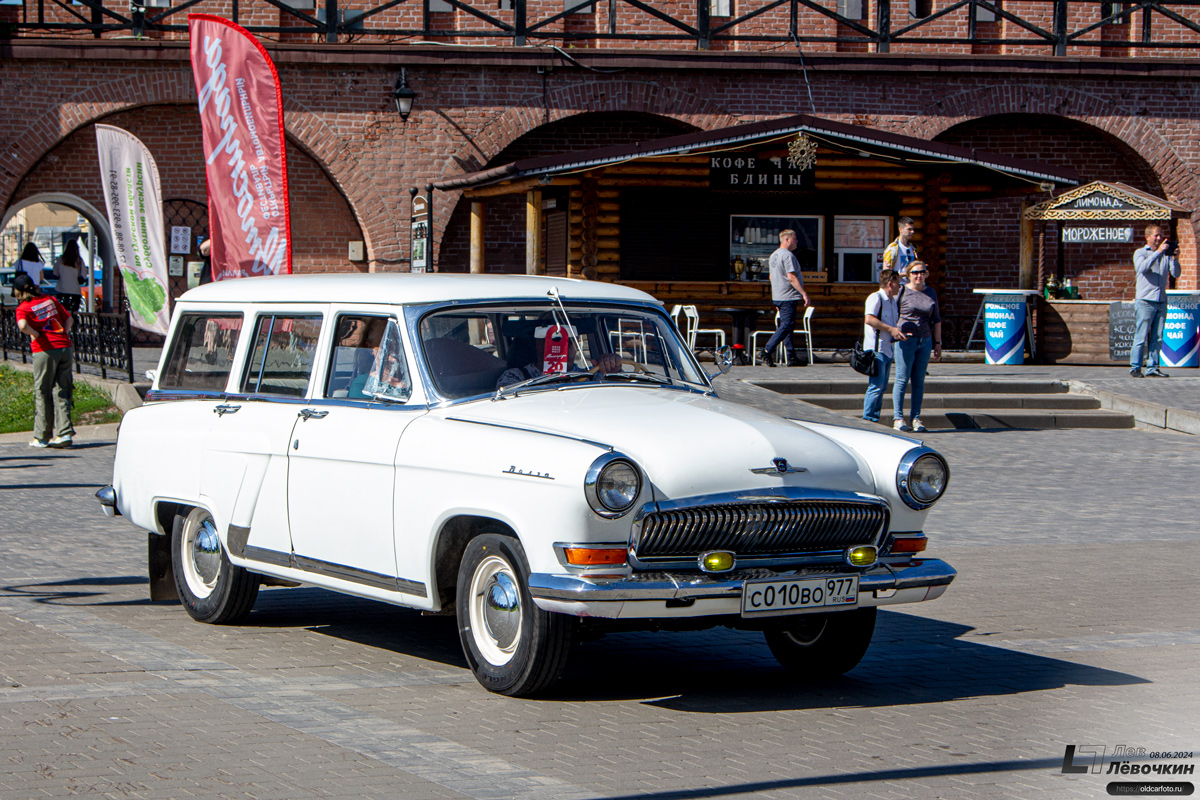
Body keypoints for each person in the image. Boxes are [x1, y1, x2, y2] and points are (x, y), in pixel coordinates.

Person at [11, 273, 75, 448]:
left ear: (18, 292)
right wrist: (64, 333)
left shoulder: (23, 308)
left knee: (43, 392)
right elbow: (69, 319)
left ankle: (42, 436)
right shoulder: (49, 299)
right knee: (63, 390)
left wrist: (35, 334)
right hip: (64, 347)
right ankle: (64, 433)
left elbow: (22, 325)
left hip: (44, 350)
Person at [891, 260, 941, 433]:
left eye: (922, 272)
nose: (918, 276)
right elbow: (892, 313)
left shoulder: (931, 292)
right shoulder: (902, 291)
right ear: (908, 274)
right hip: (906, 340)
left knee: (919, 380)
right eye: (914, 272)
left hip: (925, 340)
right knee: (902, 378)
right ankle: (898, 417)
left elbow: (937, 319)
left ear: (926, 274)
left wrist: (938, 343)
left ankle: (916, 418)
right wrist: (894, 332)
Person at [1129, 223, 1180, 378]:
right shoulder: (1141, 253)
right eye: (1156, 235)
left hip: (1161, 300)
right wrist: (1158, 252)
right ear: (1147, 237)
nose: (1159, 238)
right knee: (1141, 335)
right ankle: (1135, 367)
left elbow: (1176, 274)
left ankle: (1153, 368)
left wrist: (1174, 259)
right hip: (1145, 300)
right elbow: (1142, 268)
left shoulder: (1165, 254)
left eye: (1160, 235)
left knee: (1157, 337)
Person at [757, 229, 811, 368]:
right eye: (794, 238)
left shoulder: (773, 255)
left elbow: (771, 277)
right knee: (787, 325)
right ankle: (767, 350)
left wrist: (776, 295)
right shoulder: (787, 255)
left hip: (779, 295)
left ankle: (791, 357)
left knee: (788, 325)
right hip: (788, 295)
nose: (797, 241)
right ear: (787, 240)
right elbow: (791, 276)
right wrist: (804, 293)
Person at [861, 269, 907, 423]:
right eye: (897, 284)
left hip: (888, 349)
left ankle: (874, 418)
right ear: (890, 283)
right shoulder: (876, 297)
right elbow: (869, 319)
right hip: (877, 349)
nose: (899, 287)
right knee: (876, 386)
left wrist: (897, 332)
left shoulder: (892, 301)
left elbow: (891, 324)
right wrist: (890, 329)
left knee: (882, 387)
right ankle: (868, 419)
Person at [53, 239, 84, 313]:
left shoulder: (61, 259)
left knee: (63, 313)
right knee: (74, 312)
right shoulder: (79, 260)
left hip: (62, 289)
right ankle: (73, 323)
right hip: (75, 291)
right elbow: (84, 275)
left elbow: (55, 272)